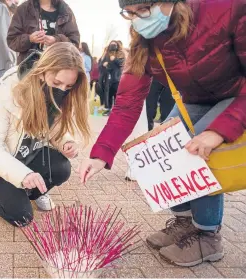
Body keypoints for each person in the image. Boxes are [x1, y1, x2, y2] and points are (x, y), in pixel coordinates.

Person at [79, 0, 246, 267]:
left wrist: (217, 132)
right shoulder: (143, 40)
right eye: (130, 13)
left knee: (197, 151)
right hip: (195, 98)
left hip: (238, 95)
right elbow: (127, 103)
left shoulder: (227, 8)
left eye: (144, 10)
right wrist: (101, 153)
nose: (137, 20)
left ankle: (207, 234)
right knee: (161, 145)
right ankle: (183, 221)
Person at [0, 42, 90, 225]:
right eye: (57, 83)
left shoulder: (54, 93)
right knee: (22, 216)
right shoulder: (10, 90)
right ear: (42, 71)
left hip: (26, 157)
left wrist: (65, 141)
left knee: (62, 167)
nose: (62, 90)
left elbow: (53, 128)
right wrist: (22, 174)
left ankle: (32, 190)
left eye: (68, 86)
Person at [7, 0, 80, 64]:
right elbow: (12, 40)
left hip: (58, 69)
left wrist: (56, 40)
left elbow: (74, 43)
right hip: (29, 70)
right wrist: (29, 39)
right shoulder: (23, 9)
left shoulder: (65, 11)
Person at [98, 40, 125, 116]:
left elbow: (122, 64)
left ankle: (117, 111)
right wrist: (103, 64)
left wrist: (115, 59)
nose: (113, 46)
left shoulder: (120, 54)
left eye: (114, 44)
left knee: (116, 95)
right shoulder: (106, 54)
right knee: (109, 95)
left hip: (117, 78)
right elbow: (100, 65)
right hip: (108, 78)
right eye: (111, 44)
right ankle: (108, 109)